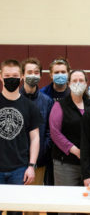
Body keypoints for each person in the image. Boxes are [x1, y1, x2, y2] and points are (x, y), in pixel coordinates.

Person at [0, 59, 42, 215]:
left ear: (22, 77)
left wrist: (31, 166)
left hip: (19, 169)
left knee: (15, 213)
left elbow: (35, 138)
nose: (11, 78)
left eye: (15, 75)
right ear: (1, 77)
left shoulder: (30, 106)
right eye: (7, 75)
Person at [49, 70, 90, 187]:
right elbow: (55, 133)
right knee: (65, 200)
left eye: (81, 80)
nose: (78, 83)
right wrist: (75, 150)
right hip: (65, 163)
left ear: (86, 84)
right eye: (74, 81)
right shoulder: (60, 105)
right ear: (69, 84)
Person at [20, 58, 54, 186]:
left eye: (36, 72)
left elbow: (50, 132)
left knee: (34, 201)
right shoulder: (14, 98)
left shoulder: (47, 101)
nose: (32, 75)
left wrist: (41, 153)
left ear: (40, 75)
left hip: (38, 163)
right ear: (22, 75)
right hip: (16, 163)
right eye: (29, 72)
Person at [40, 57, 71, 186]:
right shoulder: (43, 94)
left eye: (63, 72)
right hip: (48, 147)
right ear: (51, 75)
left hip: (67, 146)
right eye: (56, 72)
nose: (60, 75)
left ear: (68, 73)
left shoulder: (73, 93)